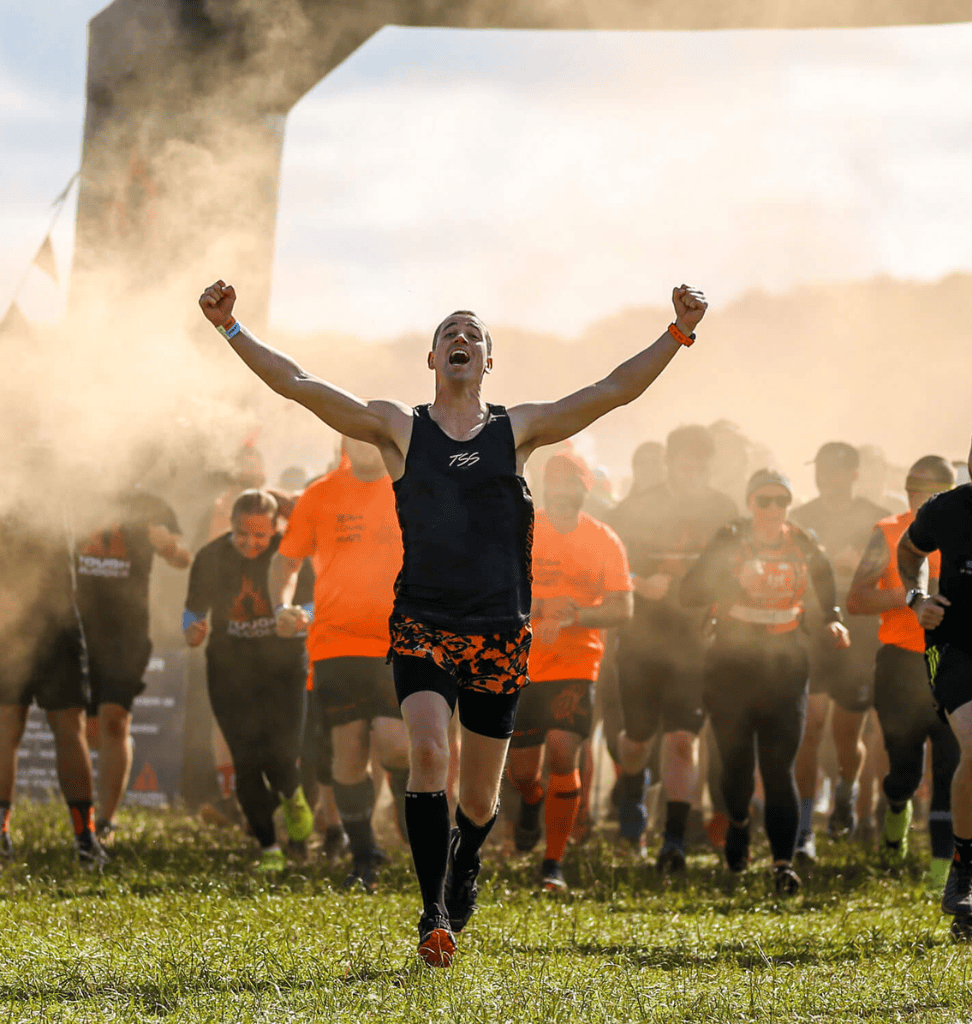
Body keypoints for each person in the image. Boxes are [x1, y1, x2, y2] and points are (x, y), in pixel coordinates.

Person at [198, 278, 708, 966]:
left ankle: (467, 856)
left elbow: (612, 390)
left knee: (477, 796)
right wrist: (232, 328)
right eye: (450, 335)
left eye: (473, 335)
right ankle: (433, 911)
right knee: (429, 754)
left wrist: (677, 332)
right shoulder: (399, 429)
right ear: (432, 360)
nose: (461, 340)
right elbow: (299, 384)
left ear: (488, 362)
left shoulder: (517, 429)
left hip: (499, 631)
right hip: (422, 623)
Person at [681, 469, 849, 893]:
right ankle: (738, 821)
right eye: (764, 500)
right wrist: (730, 577)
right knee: (736, 766)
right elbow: (690, 592)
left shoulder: (803, 542)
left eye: (781, 501)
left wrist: (832, 619)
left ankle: (782, 865)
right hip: (731, 666)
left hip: (786, 664)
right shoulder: (730, 538)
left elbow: (826, 583)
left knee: (779, 767)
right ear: (750, 502)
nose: (773, 509)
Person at [269, 435, 409, 891]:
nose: (365, 442)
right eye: (355, 433)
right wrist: (280, 606)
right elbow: (285, 563)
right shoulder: (320, 495)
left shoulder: (410, 487)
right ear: (344, 441)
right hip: (335, 643)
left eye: (374, 433)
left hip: (400, 642)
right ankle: (364, 856)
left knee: (395, 747)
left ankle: (409, 820)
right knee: (347, 755)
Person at [606, 424, 737, 870]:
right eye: (683, 459)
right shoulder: (635, 508)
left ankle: (673, 844)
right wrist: (642, 584)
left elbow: (737, 570)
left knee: (684, 741)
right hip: (641, 641)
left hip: (696, 643)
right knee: (637, 741)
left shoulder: (724, 510)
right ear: (669, 462)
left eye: (699, 460)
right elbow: (603, 570)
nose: (691, 468)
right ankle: (633, 797)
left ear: (708, 465)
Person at [507, 451, 632, 891]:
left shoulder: (603, 539)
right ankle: (531, 800)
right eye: (556, 483)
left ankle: (553, 863)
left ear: (586, 489)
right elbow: (497, 592)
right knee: (522, 772)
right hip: (520, 664)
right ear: (545, 487)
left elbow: (623, 607)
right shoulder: (522, 530)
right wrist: (541, 608)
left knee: (563, 750)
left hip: (578, 663)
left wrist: (577, 616)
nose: (564, 491)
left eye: (572, 484)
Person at [0, 498, 107, 869]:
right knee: (9, 723)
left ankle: (85, 840)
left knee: (66, 726)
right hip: (7, 620)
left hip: (55, 616)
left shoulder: (52, 471)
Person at [183, 489, 313, 872]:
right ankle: (269, 847)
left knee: (281, 757)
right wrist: (192, 630)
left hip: (284, 669)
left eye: (260, 535)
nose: (250, 543)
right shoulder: (210, 557)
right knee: (246, 759)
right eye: (242, 533)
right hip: (229, 669)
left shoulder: (290, 554)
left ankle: (293, 798)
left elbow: (311, 603)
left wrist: (302, 617)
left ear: (276, 529)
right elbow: (191, 613)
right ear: (232, 526)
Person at [847, 455, 959, 887]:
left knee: (951, 764)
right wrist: (908, 596)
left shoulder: (964, 529)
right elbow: (856, 600)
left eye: (939, 495)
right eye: (920, 493)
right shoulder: (889, 532)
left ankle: (942, 871)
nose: (928, 502)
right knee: (904, 771)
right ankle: (896, 809)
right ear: (907, 493)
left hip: (951, 658)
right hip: (899, 662)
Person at [75, 478, 190, 839]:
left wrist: (169, 548)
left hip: (126, 631)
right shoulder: (74, 493)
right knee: (87, 731)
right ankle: (86, 813)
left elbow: (183, 559)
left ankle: (104, 823)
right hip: (77, 627)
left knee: (114, 721)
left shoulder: (151, 504)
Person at [791, 442, 889, 857]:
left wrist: (861, 569)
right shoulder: (800, 518)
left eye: (834, 470)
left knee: (846, 733)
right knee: (808, 727)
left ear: (852, 474)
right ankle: (803, 828)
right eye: (820, 470)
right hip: (811, 632)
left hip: (860, 635)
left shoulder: (875, 517)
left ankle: (847, 790)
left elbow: (898, 573)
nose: (824, 477)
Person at [896, 436, 972, 931]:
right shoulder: (946, 508)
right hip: (957, 644)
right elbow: (909, 551)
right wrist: (916, 596)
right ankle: (963, 873)